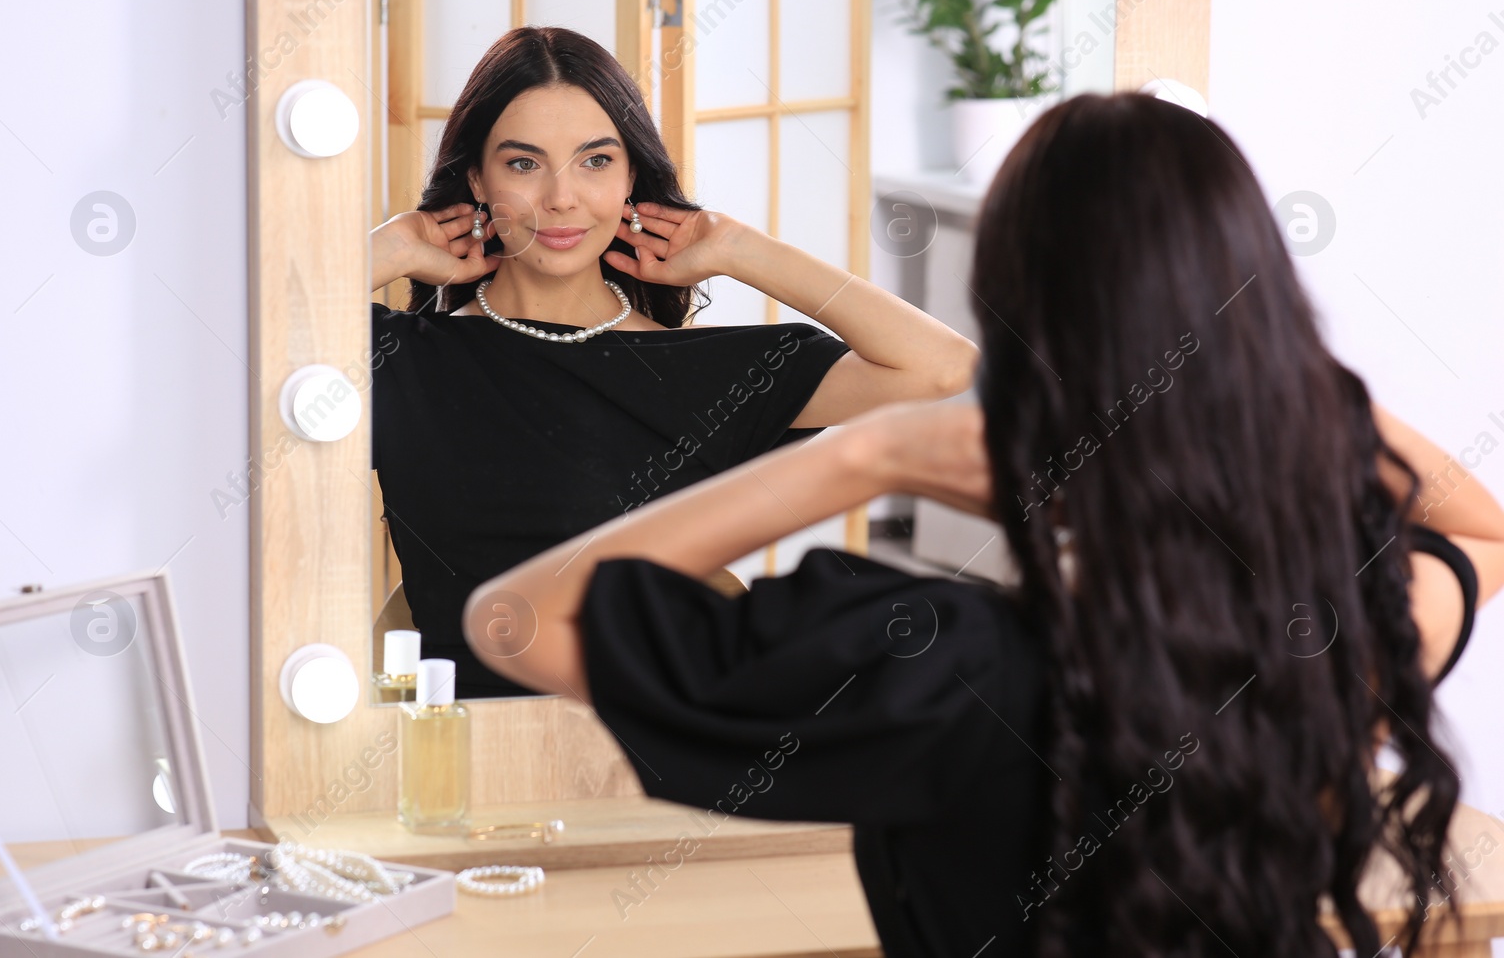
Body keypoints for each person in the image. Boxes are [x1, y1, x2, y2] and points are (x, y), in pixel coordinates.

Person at [464, 93, 1504, 956]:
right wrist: (1257, 369)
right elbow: (1482, 532)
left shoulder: (938, 665)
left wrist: (862, 456)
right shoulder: (1332, 639)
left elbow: (513, 617)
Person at [370, 25, 974, 698]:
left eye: (596, 161)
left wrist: (741, 248)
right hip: (460, 759)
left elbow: (942, 366)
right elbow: (251, 356)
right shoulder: (402, 358)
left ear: (632, 174)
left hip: (661, 760)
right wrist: (384, 252)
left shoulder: (702, 371)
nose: (562, 197)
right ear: (476, 178)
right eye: (524, 163)